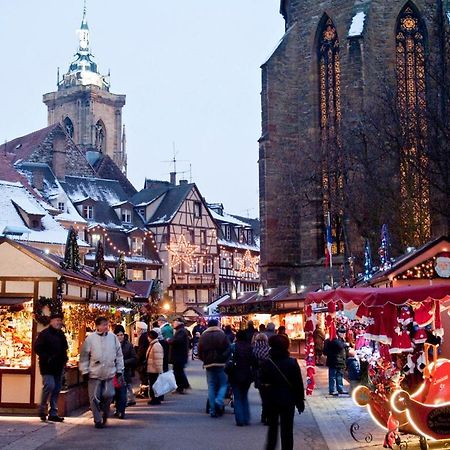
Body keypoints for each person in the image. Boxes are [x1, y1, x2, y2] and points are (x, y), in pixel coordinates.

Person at [260, 335, 305, 450]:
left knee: (272, 429)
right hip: (288, 400)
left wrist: (265, 400)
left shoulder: (267, 363)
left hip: (272, 400)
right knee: (287, 431)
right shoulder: (292, 362)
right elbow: (298, 384)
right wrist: (300, 401)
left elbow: (262, 383)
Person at [79, 317, 124, 429]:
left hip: (109, 372)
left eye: (107, 324)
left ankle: (105, 411)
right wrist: (84, 370)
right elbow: (84, 356)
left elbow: (119, 355)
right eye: (103, 325)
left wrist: (119, 370)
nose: (106, 327)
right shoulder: (90, 339)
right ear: (97, 326)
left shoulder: (113, 338)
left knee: (109, 394)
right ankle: (97, 419)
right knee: (94, 398)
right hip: (94, 373)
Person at [34, 312, 68, 422]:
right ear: (51, 321)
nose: (59, 322)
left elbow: (64, 349)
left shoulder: (61, 334)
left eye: (60, 320)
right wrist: (47, 357)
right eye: (56, 320)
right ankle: (42, 407)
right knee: (49, 385)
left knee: (57, 389)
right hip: (47, 366)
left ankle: (53, 412)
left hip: (58, 366)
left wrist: (64, 361)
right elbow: (37, 348)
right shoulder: (44, 334)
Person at [198, 318, 231, 418]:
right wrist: (224, 358)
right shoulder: (222, 335)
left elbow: (199, 350)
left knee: (211, 386)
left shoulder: (203, 336)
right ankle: (219, 399)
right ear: (217, 324)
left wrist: (204, 359)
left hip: (209, 364)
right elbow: (228, 348)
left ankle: (212, 410)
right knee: (223, 384)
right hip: (221, 363)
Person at [228, 330, 254, 426]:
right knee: (244, 396)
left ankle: (240, 419)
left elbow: (226, 358)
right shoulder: (250, 347)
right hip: (247, 374)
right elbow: (254, 361)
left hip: (235, 374)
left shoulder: (233, 347)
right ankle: (246, 418)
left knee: (237, 397)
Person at [113, 325, 137, 418]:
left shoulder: (128, 345)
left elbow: (134, 358)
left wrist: (123, 362)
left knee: (122, 392)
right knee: (115, 393)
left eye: (121, 335)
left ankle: (121, 411)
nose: (120, 337)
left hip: (125, 372)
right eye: (118, 335)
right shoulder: (112, 345)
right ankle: (117, 408)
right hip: (113, 373)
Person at [323, 326, 348, 396]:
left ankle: (339, 389)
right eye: (342, 333)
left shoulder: (340, 340)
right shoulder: (333, 340)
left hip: (339, 361)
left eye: (344, 333)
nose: (343, 334)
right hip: (334, 361)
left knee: (339, 376)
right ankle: (333, 390)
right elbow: (340, 346)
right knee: (333, 376)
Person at [252, 331, 271, 424]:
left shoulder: (254, 350)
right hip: (269, 375)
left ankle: (264, 416)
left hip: (259, 375)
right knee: (269, 396)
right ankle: (267, 416)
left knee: (263, 397)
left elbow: (252, 364)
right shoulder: (269, 350)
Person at [168, 317, 190, 393]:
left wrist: (169, 340)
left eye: (174, 322)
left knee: (178, 372)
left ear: (179, 323)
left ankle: (181, 386)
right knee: (178, 371)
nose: (173, 324)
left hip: (179, 355)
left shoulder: (181, 331)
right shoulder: (180, 331)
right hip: (179, 355)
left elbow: (177, 341)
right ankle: (183, 385)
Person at [146, 330, 164, 405]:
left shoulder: (156, 345)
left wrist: (159, 370)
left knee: (154, 384)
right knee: (153, 384)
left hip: (154, 369)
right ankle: (154, 398)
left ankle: (155, 399)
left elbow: (158, 359)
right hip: (152, 368)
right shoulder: (153, 344)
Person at [135, 321, 149, 398]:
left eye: (137, 328)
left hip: (143, 360)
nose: (136, 330)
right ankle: (144, 391)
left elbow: (142, 350)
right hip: (144, 359)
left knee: (143, 377)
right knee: (144, 377)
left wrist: (137, 359)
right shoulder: (145, 336)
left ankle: (144, 392)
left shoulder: (142, 337)